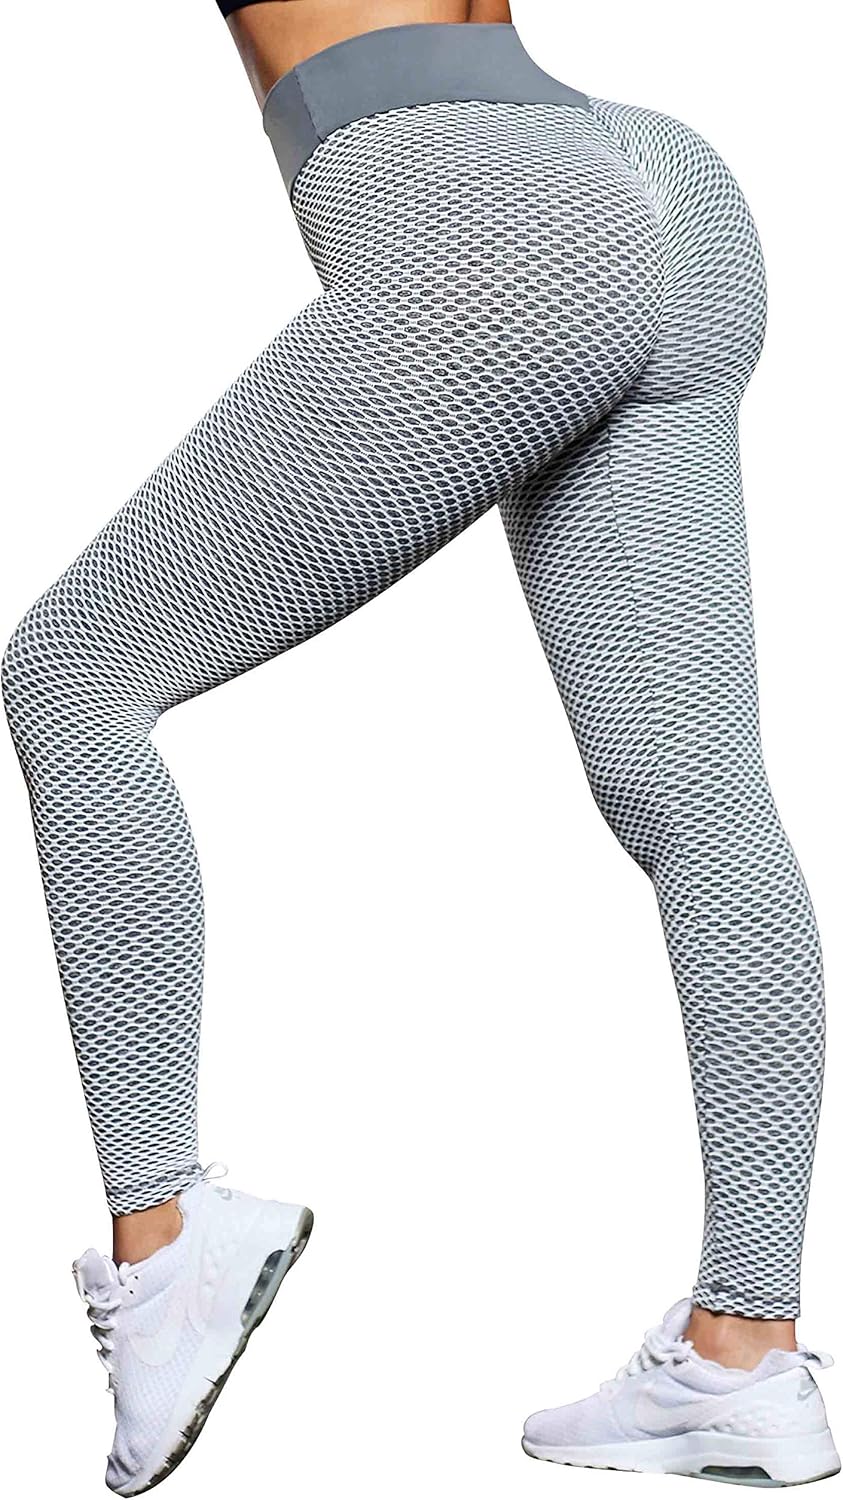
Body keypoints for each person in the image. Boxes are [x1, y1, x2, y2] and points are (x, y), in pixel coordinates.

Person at [2, 1, 837, 1493]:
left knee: (74, 676)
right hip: (660, 187)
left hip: (478, 209)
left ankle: (165, 1238)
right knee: (701, 802)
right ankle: (743, 1354)